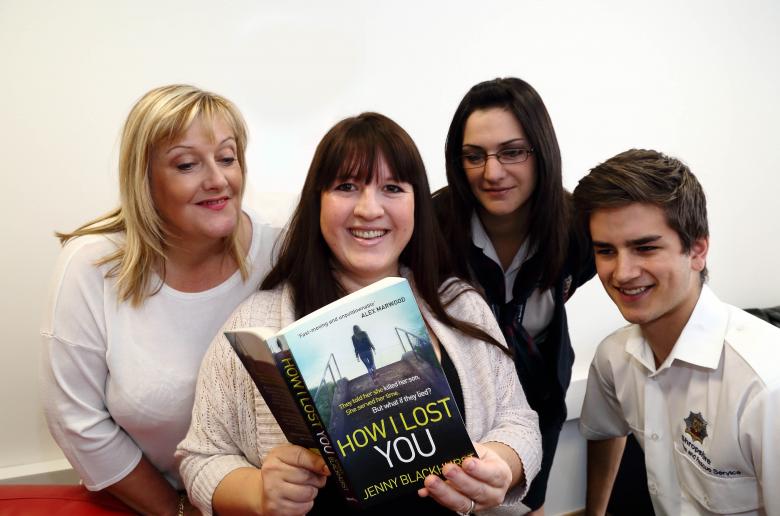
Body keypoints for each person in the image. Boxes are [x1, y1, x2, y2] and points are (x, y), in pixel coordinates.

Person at [177, 112, 542, 516]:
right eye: (347, 187)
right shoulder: (256, 323)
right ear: (317, 200)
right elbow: (200, 457)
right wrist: (257, 491)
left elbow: (519, 422)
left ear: (417, 202)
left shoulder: (460, 304)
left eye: (392, 188)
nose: (369, 209)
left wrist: (499, 465)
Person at [40, 84, 281, 515]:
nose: (218, 179)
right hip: (151, 501)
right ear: (144, 179)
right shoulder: (92, 267)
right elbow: (77, 420)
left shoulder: (281, 252)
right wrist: (176, 510)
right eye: (187, 164)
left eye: (227, 158)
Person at [572, 149, 780, 515]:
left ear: (697, 250)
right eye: (606, 251)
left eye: (645, 247)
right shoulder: (613, 357)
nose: (622, 273)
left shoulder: (764, 387)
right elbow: (603, 431)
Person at [433, 77, 595, 514]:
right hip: (455, 403)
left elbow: (571, 284)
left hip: (541, 392)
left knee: (526, 505)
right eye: (474, 156)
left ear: (541, 152)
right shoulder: (431, 227)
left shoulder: (577, 228)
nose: (493, 172)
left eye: (512, 151)